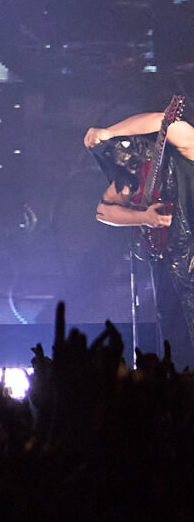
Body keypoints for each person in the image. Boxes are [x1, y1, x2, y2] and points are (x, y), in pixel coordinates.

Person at [85, 100, 194, 358]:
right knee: (175, 335)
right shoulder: (141, 169)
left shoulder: (189, 145)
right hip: (167, 264)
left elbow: (163, 122)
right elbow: (103, 211)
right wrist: (144, 217)